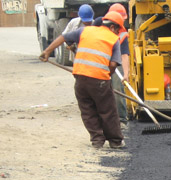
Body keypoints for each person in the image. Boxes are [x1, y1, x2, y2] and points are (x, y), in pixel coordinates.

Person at [39, 11, 125, 149]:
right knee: (107, 110)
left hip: (80, 79)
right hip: (100, 80)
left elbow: (63, 37)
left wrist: (47, 51)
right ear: (114, 27)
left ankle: (97, 140)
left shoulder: (84, 31)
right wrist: (108, 76)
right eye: (118, 30)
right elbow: (113, 64)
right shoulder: (113, 39)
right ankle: (115, 141)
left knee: (87, 110)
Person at [94, 4, 130, 126]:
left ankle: (121, 119)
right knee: (99, 89)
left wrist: (126, 74)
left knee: (117, 89)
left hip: (115, 63)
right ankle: (100, 117)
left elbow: (124, 55)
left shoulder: (122, 34)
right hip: (100, 61)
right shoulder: (99, 24)